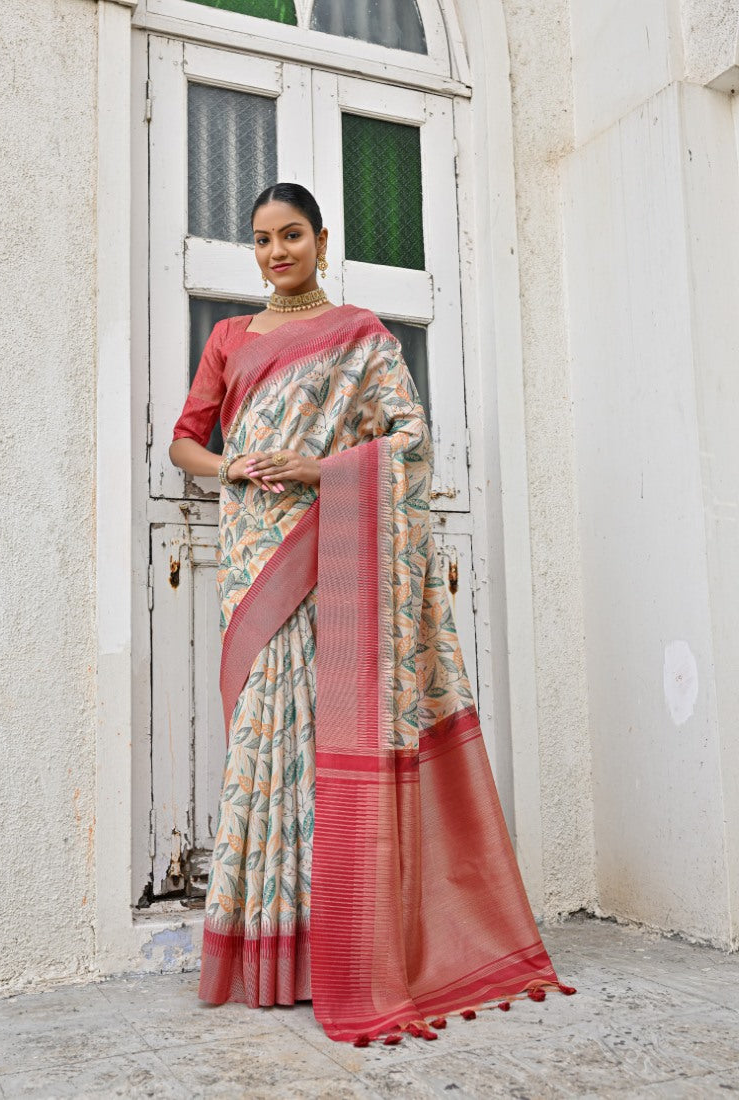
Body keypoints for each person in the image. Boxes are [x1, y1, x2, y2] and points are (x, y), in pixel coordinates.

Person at [169, 182, 575, 1046]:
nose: (276, 252)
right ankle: (263, 950)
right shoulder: (229, 339)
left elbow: (410, 438)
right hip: (251, 554)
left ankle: (335, 949)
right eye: (261, 240)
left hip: (332, 553)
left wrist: (320, 471)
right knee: (262, 743)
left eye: (290, 236)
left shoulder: (362, 337)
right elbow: (185, 442)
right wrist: (235, 467)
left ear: (322, 238)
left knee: (323, 743)